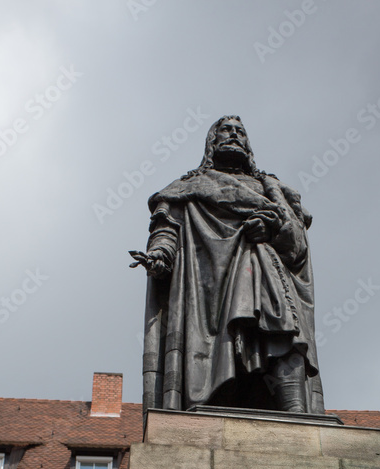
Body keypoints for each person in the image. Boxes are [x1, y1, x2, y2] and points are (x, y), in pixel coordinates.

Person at [130, 115, 325, 414]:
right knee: (217, 355)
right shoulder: (188, 187)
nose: (234, 136)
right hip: (208, 294)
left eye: (240, 132)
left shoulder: (273, 189)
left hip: (267, 278)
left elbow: (296, 247)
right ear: (212, 141)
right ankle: (211, 416)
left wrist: (273, 230)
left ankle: (297, 415)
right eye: (226, 130)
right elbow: (167, 228)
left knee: (283, 333)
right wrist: (160, 255)